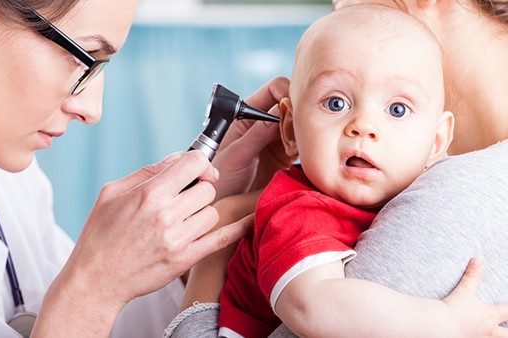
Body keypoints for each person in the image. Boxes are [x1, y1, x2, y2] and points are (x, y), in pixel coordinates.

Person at [0, 0, 291, 336]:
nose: (92, 110)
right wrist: (91, 290)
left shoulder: (9, 185)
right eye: (84, 60)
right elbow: (78, 309)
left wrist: (199, 225)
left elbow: (100, 325)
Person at [164, 0, 508, 335]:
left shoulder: (449, 189)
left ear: (437, 141)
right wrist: (443, 320)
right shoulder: (300, 210)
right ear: (290, 130)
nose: (363, 125)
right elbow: (314, 308)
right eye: (336, 103)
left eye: (398, 109)